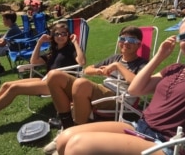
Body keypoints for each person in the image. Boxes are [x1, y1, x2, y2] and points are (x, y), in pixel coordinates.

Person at [53, 14, 185, 155]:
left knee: (77, 146)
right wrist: (160, 56)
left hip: (169, 145)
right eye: (183, 37)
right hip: (139, 127)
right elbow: (136, 88)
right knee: (64, 138)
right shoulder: (174, 69)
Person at [43, 26, 148, 154]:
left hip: (120, 98)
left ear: (139, 45)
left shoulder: (142, 63)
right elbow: (87, 69)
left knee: (81, 84)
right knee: (54, 76)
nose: (126, 42)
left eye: (131, 40)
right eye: (122, 38)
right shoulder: (115, 57)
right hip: (104, 90)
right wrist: (98, 71)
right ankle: (67, 127)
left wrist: (118, 66)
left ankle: (73, 135)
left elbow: (138, 83)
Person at [0, 22, 86, 116]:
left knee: (14, 88)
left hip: (57, 85)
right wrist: (39, 42)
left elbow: (82, 62)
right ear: (53, 36)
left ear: (68, 36)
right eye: (57, 34)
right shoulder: (53, 51)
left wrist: (75, 42)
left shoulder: (70, 49)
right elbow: (33, 61)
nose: (60, 36)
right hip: (45, 80)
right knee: (6, 85)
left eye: (64, 34)